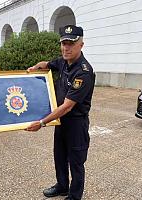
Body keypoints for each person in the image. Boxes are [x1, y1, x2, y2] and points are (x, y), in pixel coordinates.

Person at [26, 25, 95, 200]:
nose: (66, 47)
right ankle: (62, 186)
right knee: (60, 156)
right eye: (64, 43)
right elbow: (46, 64)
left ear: (81, 44)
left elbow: (67, 106)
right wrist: (35, 68)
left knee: (76, 162)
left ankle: (74, 195)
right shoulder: (63, 62)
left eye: (71, 43)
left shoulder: (84, 72)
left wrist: (41, 123)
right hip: (61, 122)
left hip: (76, 123)